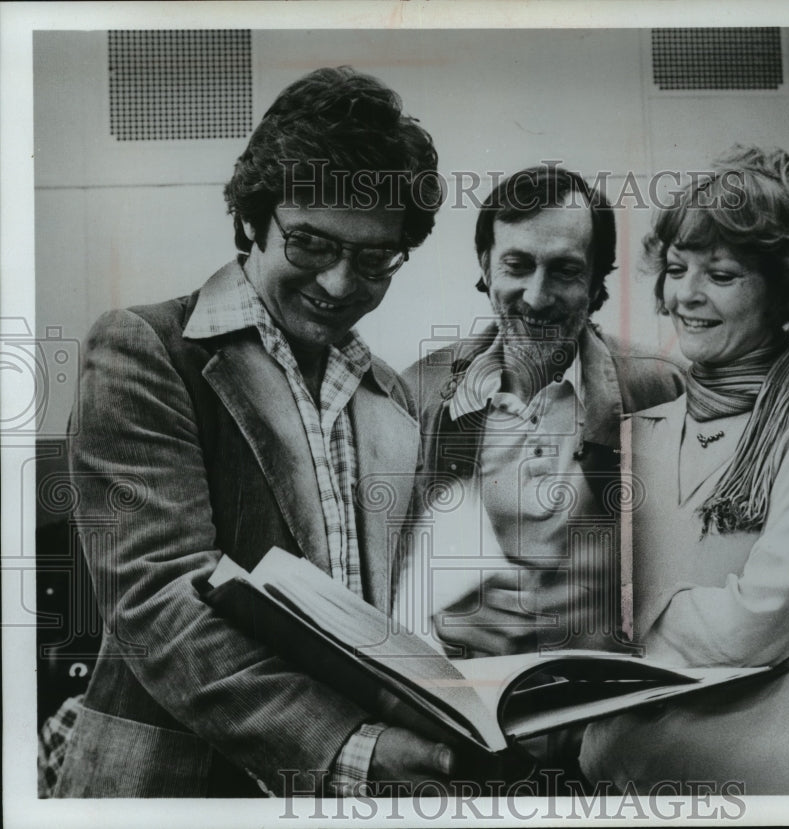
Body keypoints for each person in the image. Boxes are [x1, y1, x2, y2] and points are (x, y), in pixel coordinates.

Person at [50, 67, 458, 798]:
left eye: (373, 260)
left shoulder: (392, 395)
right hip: (173, 791)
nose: (338, 284)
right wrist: (348, 748)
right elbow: (160, 602)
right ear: (253, 220)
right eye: (308, 244)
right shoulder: (146, 349)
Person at [579, 146, 789, 795]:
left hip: (761, 783)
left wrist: (617, 620)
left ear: (781, 291)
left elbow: (760, 620)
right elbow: (575, 608)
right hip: (619, 771)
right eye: (676, 268)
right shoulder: (638, 430)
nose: (687, 295)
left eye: (722, 274)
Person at [401, 165, 684, 659]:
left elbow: (694, 563)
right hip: (471, 703)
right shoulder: (420, 392)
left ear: (597, 282)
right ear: (486, 268)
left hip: (614, 703)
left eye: (565, 270)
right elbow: (381, 570)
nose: (537, 296)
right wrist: (436, 614)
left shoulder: (660, 387)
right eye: (517, 265)